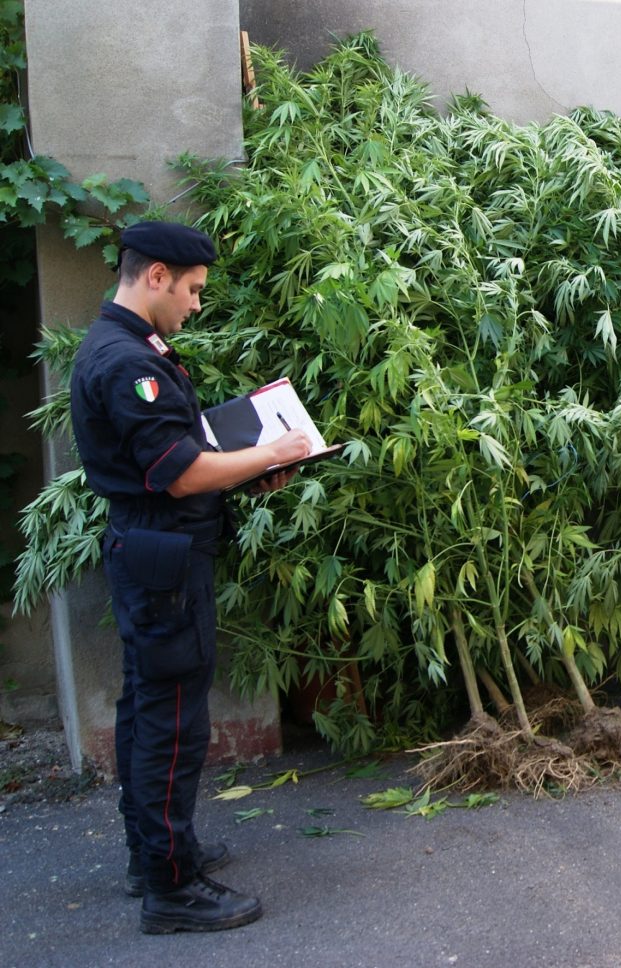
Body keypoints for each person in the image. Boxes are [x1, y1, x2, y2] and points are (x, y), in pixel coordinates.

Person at [69, 221, 312, 933]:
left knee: (150, 707)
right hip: (164, 558)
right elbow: (178, 473)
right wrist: (274, 449)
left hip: (156, 554)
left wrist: (250, 470)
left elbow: (182, 454)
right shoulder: (127, 364)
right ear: (156, 277)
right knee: (172, 723)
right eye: (194, 290)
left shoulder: (129, 347)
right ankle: (172, 889)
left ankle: (156, 857)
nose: (197, 305)